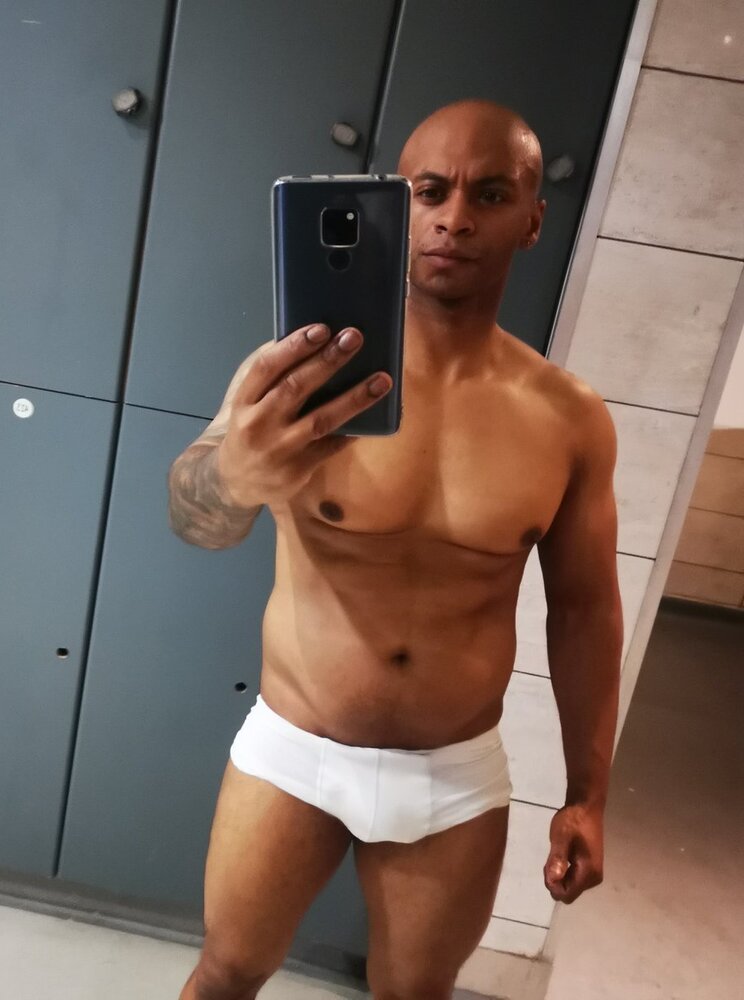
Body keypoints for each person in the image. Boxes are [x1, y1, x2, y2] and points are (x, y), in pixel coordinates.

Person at [168, 98, 622, 1000]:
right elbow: (196, 517)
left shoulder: (569, 420)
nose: (455, 218)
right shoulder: (297, 375)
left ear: (533, 219)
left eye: (490, 194)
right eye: (431, 190)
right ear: (394, 206)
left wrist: (588, 795)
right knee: (225, 973)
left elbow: (584, 612)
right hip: (295, 752)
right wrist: (234, 477)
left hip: (453, 780)